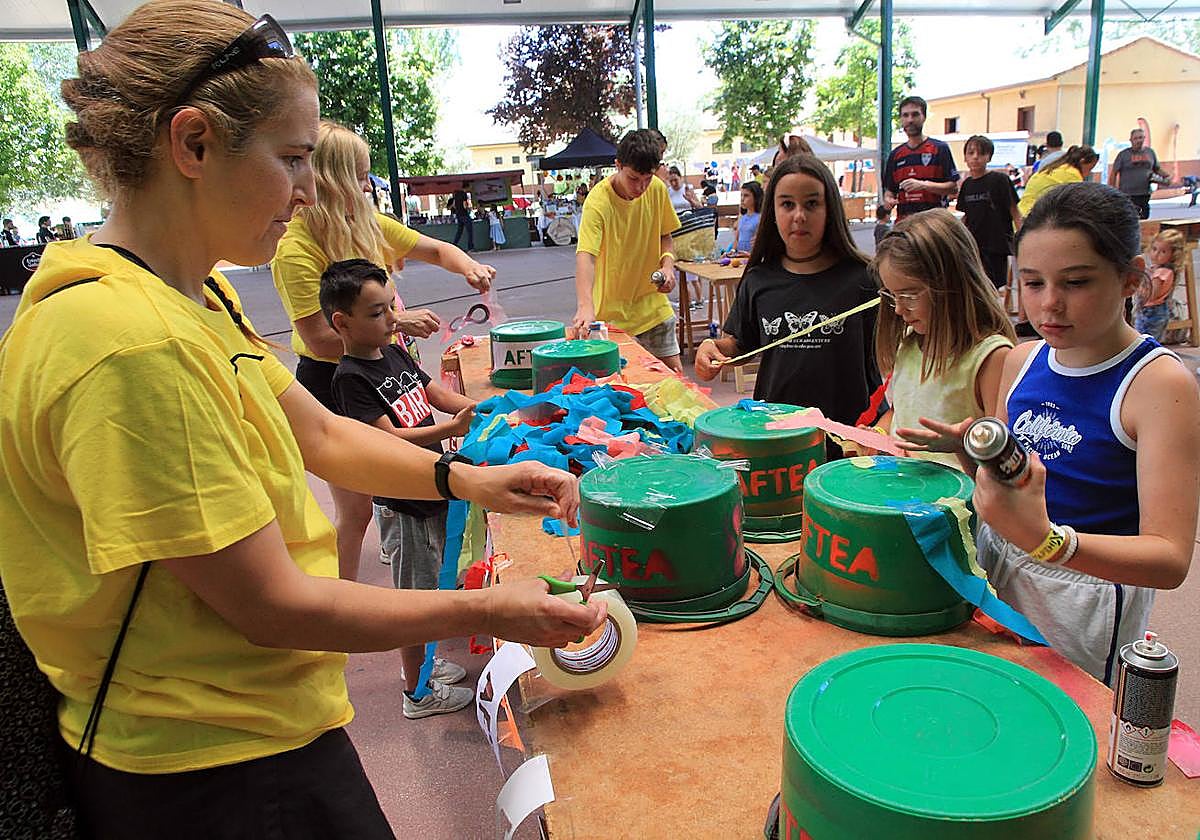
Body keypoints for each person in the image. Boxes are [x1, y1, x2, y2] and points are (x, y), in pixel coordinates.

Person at [0, 3, 605, 836]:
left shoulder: (186, 293)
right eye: (292, 159)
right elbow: (274, 604)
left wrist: (473, 479)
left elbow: (317, 434)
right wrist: (493, 610)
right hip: (208, 765)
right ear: (194, 144)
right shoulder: (129, 345)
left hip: (253, 723)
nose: (311, 189)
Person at [902, 182, 1199, 684]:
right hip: (999, 563)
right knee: (991, 698)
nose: (1050, 306)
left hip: (1083, 592)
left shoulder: (1158, 384)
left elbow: (1169, 559)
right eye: (1034, 283)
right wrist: (971, 450)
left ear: (1130, 279)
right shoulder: (1021, 360)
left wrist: (1050, 543)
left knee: (1061, 723)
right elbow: (1007, 485)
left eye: (1076, 282)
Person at [271, 121, 495, 582]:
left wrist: (469, 266)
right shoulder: (294, 250)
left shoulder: (366, 225)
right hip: (334, 381)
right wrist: (395, 323)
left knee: (406, 484)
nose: (367, 187)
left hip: (388, 366)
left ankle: (412, 556)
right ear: (331, 180)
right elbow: (319, 339)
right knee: (356, 511)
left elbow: (434, 249)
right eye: (358, 175)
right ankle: (340, 602)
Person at [322, 259, 479, 719]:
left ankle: (427, 666)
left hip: (428, 487)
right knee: (413, 603)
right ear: (342, 322)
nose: (391, 318)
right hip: (403, 505)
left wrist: (481, 407)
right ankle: (417, 694)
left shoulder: (393, 350)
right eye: (376, 312)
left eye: (391, 306)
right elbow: (386, 439)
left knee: (432, 590)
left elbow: (431, 392)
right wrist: (449, 429)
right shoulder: (350, 377)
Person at [694, 154, 883, 458]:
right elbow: (741, 344)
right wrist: (713, 350)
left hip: (852, 442)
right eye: (787, 204)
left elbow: (898, 359)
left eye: (811, 204)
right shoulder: (759, 278)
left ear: (830, 209)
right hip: (777, 438)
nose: (799, 215)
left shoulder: (864, 278)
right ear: (772, 212)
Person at [873, 210, 1016, 467]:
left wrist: (960, 446)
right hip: (905, 497)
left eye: (910, 295)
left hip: (959, 503)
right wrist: (878, 434)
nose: (898, 309)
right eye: (893, 296)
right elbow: (901, 412)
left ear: (952, 286)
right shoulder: (910, 340)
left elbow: (1000, 461)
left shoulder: (992, 358)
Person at [573, 129, 683, 372]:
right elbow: (586, 256)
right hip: (613, 316)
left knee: (676, 379)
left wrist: (667, 265)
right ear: (618, 165)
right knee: (623, 389)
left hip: (654, 309)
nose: (641, 186)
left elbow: (665, 235)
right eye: (633, 178)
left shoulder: (656, 189)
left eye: (647, 178)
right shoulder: (598, 202)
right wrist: (585, 305)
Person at [957, 134, 1022, 291]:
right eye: (971, 153)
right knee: (975, 283)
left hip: (996, 243)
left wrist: (1022, 235)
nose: (975, 157)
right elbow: (966, 216)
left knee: (995, 286)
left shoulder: (1000, 180)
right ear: (965, 157)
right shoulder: (967, 184)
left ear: (989, 157)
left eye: (981, 153)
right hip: (974, 244)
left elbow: (1014, 209)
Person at [882, 96, 958, 220]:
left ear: (924, 117)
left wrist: (923, 185)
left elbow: (953, 188)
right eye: (905, 115)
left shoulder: (940, 148)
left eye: (915, 114)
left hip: (934, 224)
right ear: (901, 119)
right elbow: (890, 191)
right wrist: (888, 200)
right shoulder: (895, 155)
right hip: (905, 225)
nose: (910, 120)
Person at [1017, 145, 1098, 217]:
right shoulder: (1072, 174)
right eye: (1089, 169)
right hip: (1032, 216)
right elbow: (1078, 204)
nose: (1088, 174)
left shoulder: (1058, 166)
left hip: (1022, 212)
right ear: (1082, 161)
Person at [1135, 229, 1186, 342]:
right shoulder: (1159, 269)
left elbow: (1152, 294)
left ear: (1173, 255)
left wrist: (1137, 286)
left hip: (1152, 313)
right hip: (1150, 311)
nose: (1156, 254)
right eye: (1154, 249)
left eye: (1163, 252)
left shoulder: (1161, 273)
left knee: (1145, 343)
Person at [1109, 127, 1168, 220]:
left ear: (1144, 138)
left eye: (1141, 137)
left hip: (1144, 193)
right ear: (1131, 140)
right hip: (1127, 194)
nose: (1138, 140)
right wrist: (1112, 191)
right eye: (1136, 138)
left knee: (1144, 218)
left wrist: (1167, 177)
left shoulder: (1150, 152)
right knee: (1129, 219)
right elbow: (1113, 173)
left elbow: (1157, 168)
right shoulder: (1123, 155)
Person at [733, 180, 763, 255]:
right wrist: (732, 251)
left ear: (756, 197)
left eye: (746, 195)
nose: (742, 199)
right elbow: (737, 239)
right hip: (740, 257)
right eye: (741, 195)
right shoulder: (742, 217)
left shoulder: (760, 218)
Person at [449, 181, 475, 251]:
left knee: (459, 232)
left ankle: (454, 245)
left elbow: (454, 205)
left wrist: (458, 209)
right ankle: (470, 247)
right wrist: (469, 208)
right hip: (464, 215)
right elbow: (464, 206)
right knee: (470, 231)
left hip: (459, 215)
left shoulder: (457, 194)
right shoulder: (464, 194)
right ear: (467, 187)